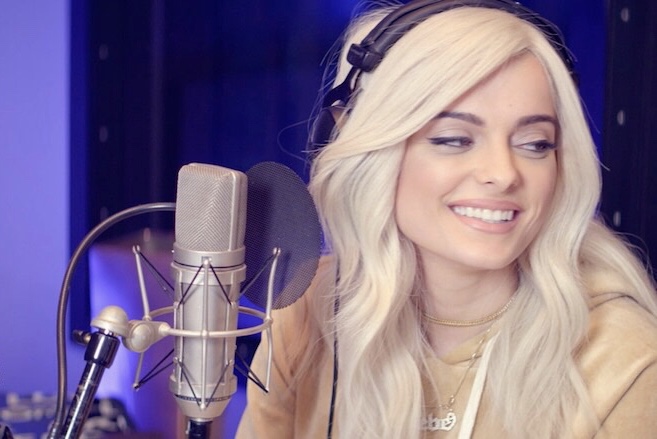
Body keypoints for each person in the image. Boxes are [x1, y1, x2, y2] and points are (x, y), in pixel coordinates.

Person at [236, 1, 657, 438]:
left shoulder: (625, 361)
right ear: (365, 150)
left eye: (535, 143)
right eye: (454, 139)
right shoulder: (307, 314)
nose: (503, 174)